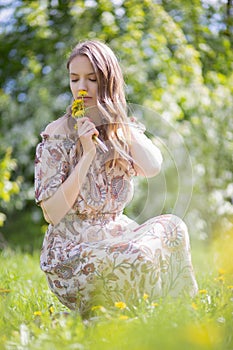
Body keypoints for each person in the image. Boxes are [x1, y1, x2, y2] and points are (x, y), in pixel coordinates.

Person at [35, 40, 198, 317]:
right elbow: (52, 213)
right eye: (74, 79)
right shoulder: (58, 133)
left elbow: (153, 166)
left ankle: (178, 317)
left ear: (108, 82)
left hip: (116, 235)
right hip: (73, 253)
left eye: (92, 79)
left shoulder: (120, 132)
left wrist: (117, 119)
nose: (81, 88)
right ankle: (132, 318)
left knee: (174, 227)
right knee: (138, 256)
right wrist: (86, 155)